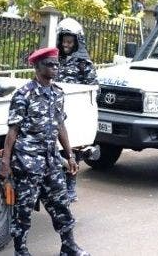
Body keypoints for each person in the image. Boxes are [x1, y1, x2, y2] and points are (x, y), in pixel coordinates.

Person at [0, 47, 89, 256]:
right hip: (28, 162)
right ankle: (21, 251)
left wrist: (70, 155)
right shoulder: (23, 95)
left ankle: (69, 247)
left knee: (61, 204)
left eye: (57, 64)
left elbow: (60, 126)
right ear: (37, 67)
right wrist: (5, 162)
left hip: (51, 161)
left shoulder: (58, 93)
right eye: (50, 64)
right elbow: (13, 131)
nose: (55, 68)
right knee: (24, 210)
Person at [55, 17, 98, 202]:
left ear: (77, 42)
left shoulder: (84, 64)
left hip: (75, 115)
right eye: (64, 40)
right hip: (57, 113)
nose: (67, 44)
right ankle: (57, 188)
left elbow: (94, 89)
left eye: (70, 41)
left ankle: (71, 186)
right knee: (55, 152)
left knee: (72, 152)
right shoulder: (54, 61)